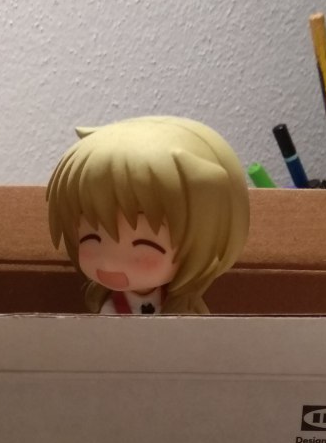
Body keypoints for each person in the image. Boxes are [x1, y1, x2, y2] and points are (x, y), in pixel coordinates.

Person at [46, 116, 250, 314]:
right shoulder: (109, 307)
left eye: (145, 245)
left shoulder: (184, 310)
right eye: (91, 238)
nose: (109, 264)